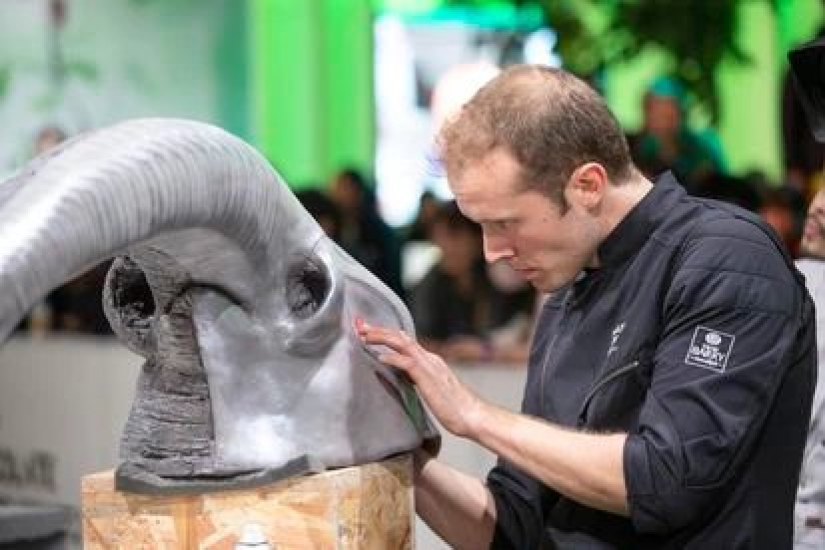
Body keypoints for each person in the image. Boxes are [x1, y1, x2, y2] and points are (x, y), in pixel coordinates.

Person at [356, 65, 815, 548]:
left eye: (507, 223)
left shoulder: (725, 258)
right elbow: (514, 525)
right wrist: (399, 452)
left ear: (588, 185)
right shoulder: (566, 296)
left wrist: (475, 415)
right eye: (481, 227)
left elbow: (668, 480)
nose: (493, 251)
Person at [628, 76, 726, 192]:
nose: (665, 123)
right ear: (646, 113)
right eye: (659, 114)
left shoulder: (702, 149)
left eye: (670, 115)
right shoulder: (632, 149)